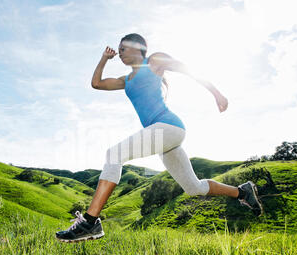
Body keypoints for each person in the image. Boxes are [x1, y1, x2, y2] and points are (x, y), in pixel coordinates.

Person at [56, 33, 263, 243]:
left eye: (123, 49)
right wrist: (104, 58)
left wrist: (216, 93)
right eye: (117, 52)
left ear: (138, 47)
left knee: (114, 154)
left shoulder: (153, 61)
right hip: (165, 139)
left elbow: (187, 69)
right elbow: (97, 83)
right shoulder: (125, 80)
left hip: (169, 127)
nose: (119, 54)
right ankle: (242, 192)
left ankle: (90, 222)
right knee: (194, 188)